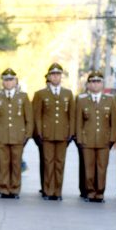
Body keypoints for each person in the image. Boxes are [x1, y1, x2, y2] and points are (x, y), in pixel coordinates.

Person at [32, 63, 75, 200]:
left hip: (62, 134)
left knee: (59, 163)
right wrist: (39, 133)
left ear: (61, 77)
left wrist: (71, 133)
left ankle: (58, 191)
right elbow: (37, 115)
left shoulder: (68, 93)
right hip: (47, 134)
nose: (56, 77)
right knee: (48, 163)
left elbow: (71, 116)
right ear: (49, 77)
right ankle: (48, 190)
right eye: (53, 74)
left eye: (58, 74)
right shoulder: (40, 94)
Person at [0, 68, 33, 198]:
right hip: (1, 136)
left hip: (18, 136)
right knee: (2, 163)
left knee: (15, 164)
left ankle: (14, 189)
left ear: (15, 81)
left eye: (11, 79)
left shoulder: (23, 97)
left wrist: (27, 135)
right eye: (5, 80)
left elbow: (29, 119)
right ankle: (2, 189)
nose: (8, 82)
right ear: (2, 82)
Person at [75, 71, 116, 203]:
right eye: (92, 82)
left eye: (98, 82)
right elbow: (78, 122)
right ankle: (90, 192)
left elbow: (114, 122)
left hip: (104, 140)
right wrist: (80, 139)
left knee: (102, 167)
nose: (95, 85)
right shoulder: (82, 100)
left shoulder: (110, 99)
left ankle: (100, 193)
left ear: (102, 84)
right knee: (89, 167)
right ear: (88, 84)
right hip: (87, 140)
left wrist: (112, 139)